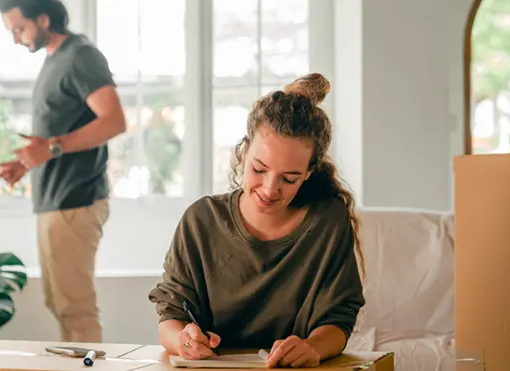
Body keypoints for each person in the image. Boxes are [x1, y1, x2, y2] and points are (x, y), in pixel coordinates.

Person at [148, 73, 366, 368]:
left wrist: (312, 347)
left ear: (308, 174)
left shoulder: (327, 221)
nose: (269, 189)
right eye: (259, 169)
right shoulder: (201, 221)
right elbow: (171, 316)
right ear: (243, 151)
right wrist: (184, 340)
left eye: (289, 179)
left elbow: (339, 318)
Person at [0, 0, 126, 343]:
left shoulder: (80, 56)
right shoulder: (56, 59)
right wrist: (26, 162)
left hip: (75, 199)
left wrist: (51, 148)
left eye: (19, 29)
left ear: (43, 19)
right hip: (54, 201)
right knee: (59, 304)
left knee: (76, 309)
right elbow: (61, 133)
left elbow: (114, 120)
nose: (16, 39)